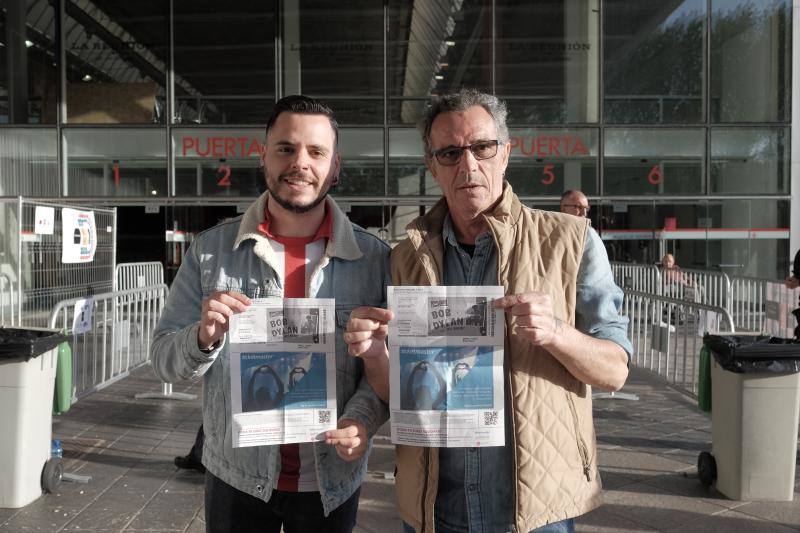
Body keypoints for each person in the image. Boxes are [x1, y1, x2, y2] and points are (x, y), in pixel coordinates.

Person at [345, 89, 632, 533]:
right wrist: (373, 353)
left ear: (505, 153)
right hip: (433, 508)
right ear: (432, 165)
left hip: (537, 511)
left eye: (482, 147)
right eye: (450, 152)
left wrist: (557, 332)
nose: (468, 165)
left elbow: (615, 371)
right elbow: (391, 391)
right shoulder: (403, 259)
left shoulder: (572, 241)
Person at [151, 95, 390, 533]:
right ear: (263, 157)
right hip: (236, 477)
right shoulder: (210, 251)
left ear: (335, 166)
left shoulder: (373, 260)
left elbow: (385, 367)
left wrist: (363, 419)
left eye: (316, 152)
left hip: (330, 482)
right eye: (285, 148)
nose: (300, 163)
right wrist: (203, 337)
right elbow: (164, 360)